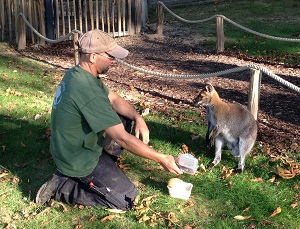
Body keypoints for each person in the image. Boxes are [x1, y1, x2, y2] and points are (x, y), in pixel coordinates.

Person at [36, 29, 183, 210]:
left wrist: (138, 117)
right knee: (125, 199)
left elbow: (113, 99)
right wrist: (161, 158)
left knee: (124, 118)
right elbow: (121, 138)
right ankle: (62, 187)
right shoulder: (87, 91)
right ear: (92, 57)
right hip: (76, 158)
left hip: (69, 147)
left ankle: (104, 163)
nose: (114, 60)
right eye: (110, 56)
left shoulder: (79, 73)